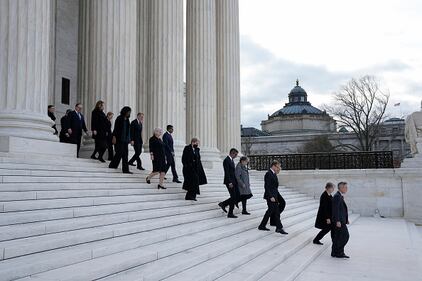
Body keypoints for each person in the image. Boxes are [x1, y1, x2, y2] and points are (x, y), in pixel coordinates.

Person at [258, 160, 288, 235]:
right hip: (270, 195)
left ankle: (262, 225)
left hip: (275, 194)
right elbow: (267, 186)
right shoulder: (268, 174)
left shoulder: (273, 173)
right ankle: (279, 227)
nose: (278, 168)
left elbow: (274, 186)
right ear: (273, 166)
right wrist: (271, 196)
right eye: (277, 167)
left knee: (272, 210)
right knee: (275, 210)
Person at [218, 148, 240, 218]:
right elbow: (227, 172)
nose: (236, 156)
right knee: (233, 197)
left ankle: (223, 204)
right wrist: (229, 182)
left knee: (236, 196)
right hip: (229, 182)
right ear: (232, 153)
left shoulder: (231, 160)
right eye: (235, 154)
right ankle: (230, 213)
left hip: (234, 181)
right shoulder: (226, 160)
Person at [109, 106, 132, 174]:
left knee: (125, 155)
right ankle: (112, 165)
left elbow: (128, 130)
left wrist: (129, 139)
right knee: (119, 153)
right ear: (125, 111)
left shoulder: (127, 120)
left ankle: (125, 170)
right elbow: (115, 129)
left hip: (125, 140)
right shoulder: (119, 118)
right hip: (119, 139)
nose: (129, 113)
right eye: (128, 112)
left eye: (130, 112)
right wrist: (114, 137)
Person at [331, 182, 350, 258]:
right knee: (345, 236)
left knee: (337, 237)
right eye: (345, 187)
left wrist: (346, 219)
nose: (346, 189)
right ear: (341, 188)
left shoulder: (339, 196)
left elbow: (341, 209)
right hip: (339, 221)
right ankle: (339, 252)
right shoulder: (337, 196)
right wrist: (337, 221)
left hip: (341, 220)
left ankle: (335, 252)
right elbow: (335, 210)